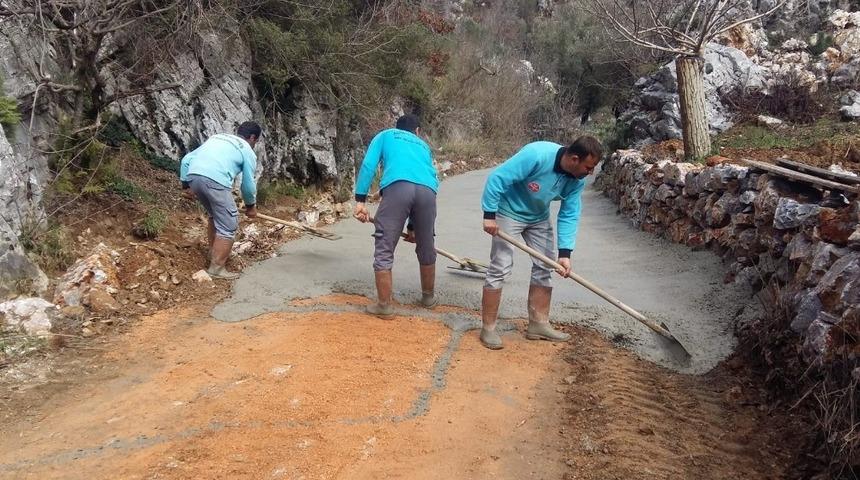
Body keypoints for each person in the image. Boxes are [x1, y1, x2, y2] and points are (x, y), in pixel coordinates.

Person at [479, 136, 603, 350]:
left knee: (546, 265)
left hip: (538, 216)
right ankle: (488, 328)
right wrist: (489, 215)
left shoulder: (576, 181)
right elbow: (498, 178)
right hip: (508, 212)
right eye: (588, 167)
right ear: (574, 159)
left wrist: (565, 254)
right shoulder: (537, 155)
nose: (590, 173)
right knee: (500, 267)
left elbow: (570, 213)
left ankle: (538, 324)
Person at [353, 114, 439, 319]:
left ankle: (384, 306)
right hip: (428, 192)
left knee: (385, 245)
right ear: (417, 131)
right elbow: (426, 178)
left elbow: (368, 165)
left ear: (397, 127)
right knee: (426, 245)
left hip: (398, 187)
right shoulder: (423, 146)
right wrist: (412, 228)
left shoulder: (386, 135)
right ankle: (428, 298)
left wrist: (360, 201)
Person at [179, 121, 262, 280]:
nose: (254, 144)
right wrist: (251, 206)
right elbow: (248, 184)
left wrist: (186, 186)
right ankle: (216, 269)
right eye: (256, 141)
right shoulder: (246, 149)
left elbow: (186, 160)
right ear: (252, 137)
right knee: (229, 224)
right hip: (215, 181)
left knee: (215, 216)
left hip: (194, 176)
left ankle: (213, 253)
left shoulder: (217, 138)